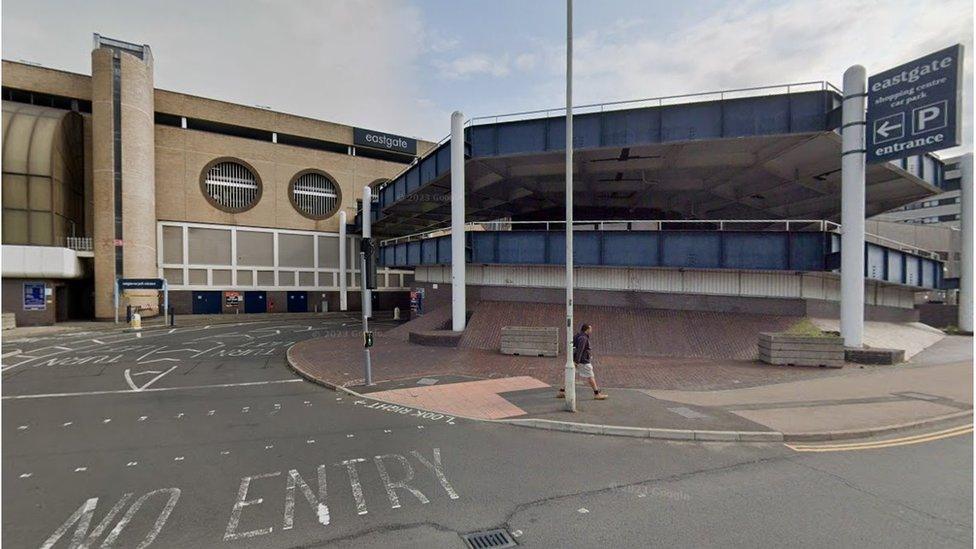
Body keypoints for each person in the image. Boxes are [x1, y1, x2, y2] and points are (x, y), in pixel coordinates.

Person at [557, 323, 607, 400]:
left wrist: (573, 360)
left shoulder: (577, 336)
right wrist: (577, 361)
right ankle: (596, 393)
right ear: (587, 329)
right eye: (590, 329)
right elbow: (580, 349)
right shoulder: (583, 338)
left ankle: (562, 391)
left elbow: (572, 347)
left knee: (570, 375)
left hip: (576, 360)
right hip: (582, 361)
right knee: (590, 376)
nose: (591, 330)